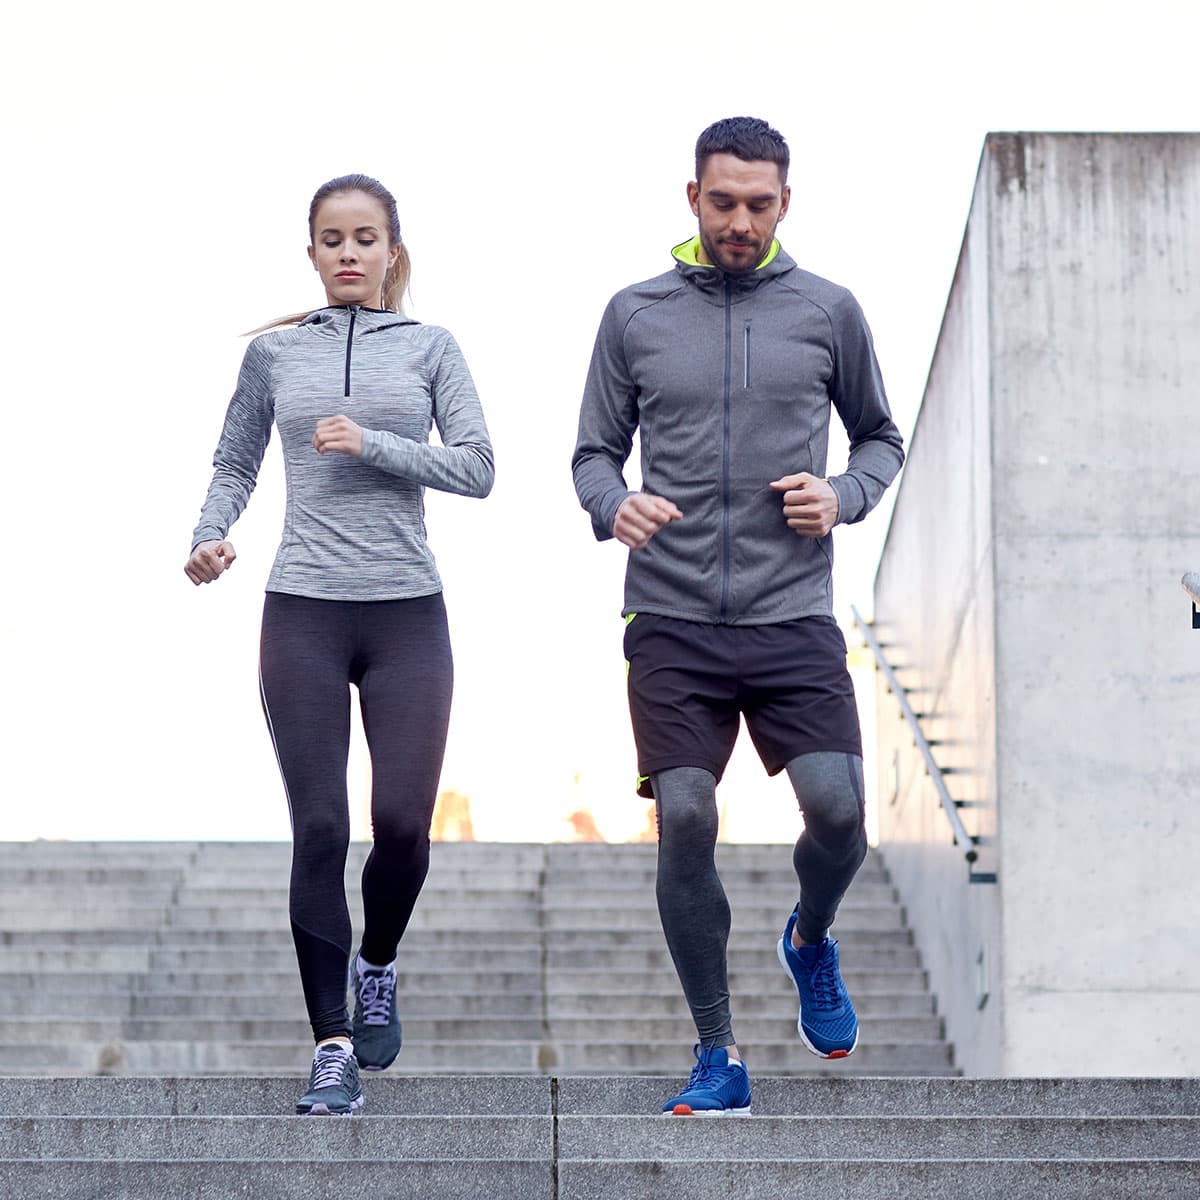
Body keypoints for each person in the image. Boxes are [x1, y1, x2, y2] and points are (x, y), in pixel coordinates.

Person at [572, 118, 903, 1115]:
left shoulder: (828, 311)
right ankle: (718, 1054)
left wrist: (841, 496)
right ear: (693, 199)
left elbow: (881, 438)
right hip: (670, 616)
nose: (741, 222)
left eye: (760, 204)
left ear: (785, 205)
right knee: (684, 815)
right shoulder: (635, 315)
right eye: (724, 202)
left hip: (791, 611)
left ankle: (808, 938)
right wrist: (610, 504)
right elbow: (593, 452)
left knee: (840, 811)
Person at [185, 174, 494, 1116]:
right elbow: (235, 457)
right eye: (332, 239)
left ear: (393, 251)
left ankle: (378, 963)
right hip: (304, 611)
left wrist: (374, 445)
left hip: (407, 614)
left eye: (367, 238)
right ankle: (331, 1046)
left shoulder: (433, 348)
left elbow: (480, 468)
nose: (350, 253)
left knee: (400, 826)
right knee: (319, 828)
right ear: (311, 252)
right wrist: (209, 533)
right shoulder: (276, 358)